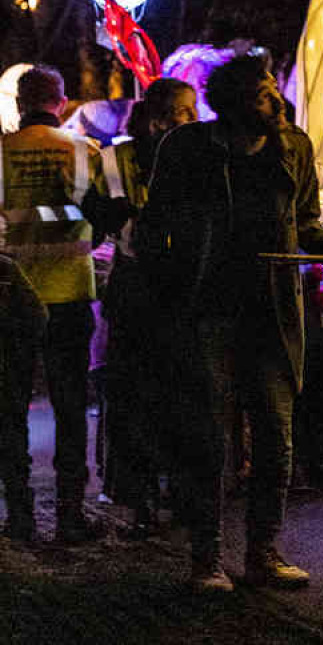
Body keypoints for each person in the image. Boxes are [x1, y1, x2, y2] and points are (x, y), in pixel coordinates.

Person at [137, 54, 323, 594]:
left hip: (273, 314)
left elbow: (307, 224)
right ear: (229, 105)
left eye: (273, 91)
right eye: (261, 95)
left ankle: (263, 552)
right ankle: (206, 558)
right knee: (210, 440)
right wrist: (168, 297)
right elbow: (153, 231)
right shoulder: (186, 149)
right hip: (208, 314)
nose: (275, 102)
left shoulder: (293, 146)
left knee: (276, 435)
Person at [83, 77, 198, 537]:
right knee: (138, 397)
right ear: (160, 120)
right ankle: (142, 495)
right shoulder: (116, 160)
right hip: (139, 286)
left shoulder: (195, 159)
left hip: (179, 286)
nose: (194, 120)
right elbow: (100, 214)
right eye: (186, 112)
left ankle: (175, 491)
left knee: (176, 397)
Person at [0, 65, 102, 543]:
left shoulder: (1, 154)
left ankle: (18, 515)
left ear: (21, 104)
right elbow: (108, 214)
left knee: (10, 406)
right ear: (60, 102)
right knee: (70, 406)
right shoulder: (84, 150)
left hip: (11, 296)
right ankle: (70, 515)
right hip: (70, 293)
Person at [0, 251, 48, 541]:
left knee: (12, 447)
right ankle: (21, 519)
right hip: (8, 378)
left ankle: (21, 519)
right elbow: (38, 316)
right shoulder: (6, 269)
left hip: (8, 377)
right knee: (13, 449)